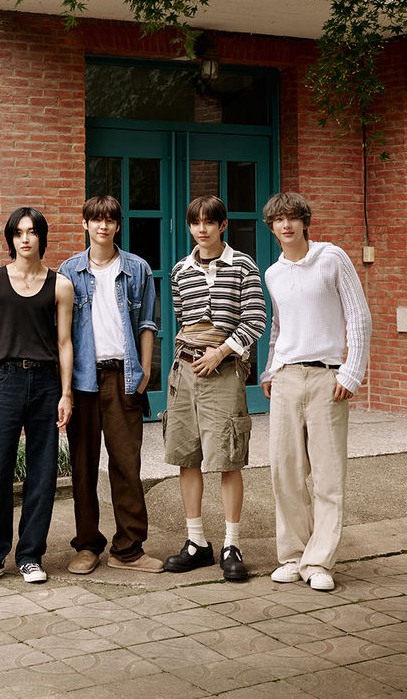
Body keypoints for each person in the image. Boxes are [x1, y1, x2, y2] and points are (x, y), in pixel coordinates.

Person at [261, 191, 371, 592]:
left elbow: (358, 316)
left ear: (305, 221)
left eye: (293, 217)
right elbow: (278, 326)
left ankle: (320, 561)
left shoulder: (332, 257)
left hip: (329, 379)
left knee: (327, 474)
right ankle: (294, 555)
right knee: (285, 472)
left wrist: (351, 372)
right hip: (287, 378)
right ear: (271, 226)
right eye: (278, 219)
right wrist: (270, 370)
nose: (286, 225)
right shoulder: (273, 273)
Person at [163, 195, 266, 581]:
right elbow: (181, 318)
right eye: (195, 222)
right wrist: (194, 356)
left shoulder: (243, 265)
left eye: (209, 222)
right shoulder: (179, 271)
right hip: (185, 371)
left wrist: (221, 352)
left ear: (223, 225)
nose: (201, 229)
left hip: (223, 372)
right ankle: (196, 543)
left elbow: (256, 317)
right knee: (187, 457)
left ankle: (231, 543)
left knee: (226, 458)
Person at [0, 206, 74, 584]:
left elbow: (64, 342)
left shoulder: (60, 284)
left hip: (46, 384)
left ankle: (30, 555)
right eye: (18, 232)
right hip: (4, 382)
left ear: (41, 237)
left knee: (42, 474)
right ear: (11, 238)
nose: (25, 238)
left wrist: (66, 394)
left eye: (32, 232)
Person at [59, 195, 162, 575]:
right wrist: (65, 387)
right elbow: (61, 332)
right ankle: (87, 546)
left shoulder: (137, 269)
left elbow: (148, 323)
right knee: (83, 468)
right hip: (83, 379)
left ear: (118, 226)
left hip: (124, 376)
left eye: (109, 220)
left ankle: (129, 549)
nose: (102, 226)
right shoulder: (69, 271)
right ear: (85, 224)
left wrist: (146, 370)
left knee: (125, 464)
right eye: (95, 219)